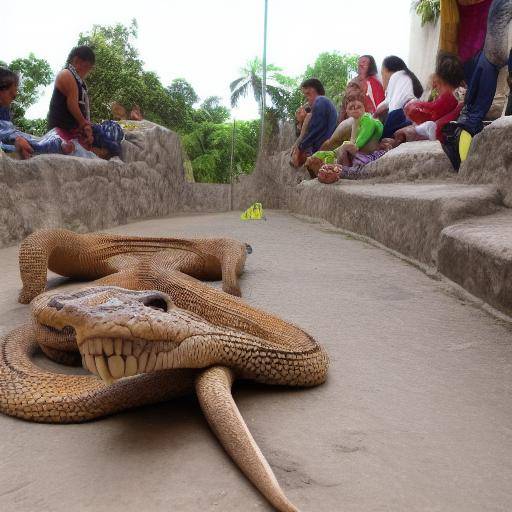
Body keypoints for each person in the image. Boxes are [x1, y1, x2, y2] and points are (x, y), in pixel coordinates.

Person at [442, 0, 512, 169]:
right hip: (486, 52)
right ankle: (465, 162)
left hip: (478, 54)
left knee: (473, 113)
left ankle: (464, 161)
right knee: (474, 116)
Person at [47, 46, 124, 159]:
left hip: (76, 130)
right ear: (77, 61)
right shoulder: (66, 74)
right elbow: (72, 105)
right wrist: (85, 125)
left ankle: (97, 149)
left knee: (113, 139)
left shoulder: (80, 83)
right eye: (87, 67)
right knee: (111, 145)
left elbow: (83, 112)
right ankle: (98, 150)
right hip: (63, 130)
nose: (88, 72)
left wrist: (86, 130)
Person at [0, 68, 74, 158]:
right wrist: (16, 139)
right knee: (25, 141)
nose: (14, 96)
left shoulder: (4, 108)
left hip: (5, 140)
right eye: (11, 92)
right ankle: (55, 145)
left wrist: (16, 140)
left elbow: (7, 131)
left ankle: (53, 143)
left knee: (21, 142)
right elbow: (6, 132)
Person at [396, 52, 466, 143]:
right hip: (448, 129)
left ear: (440, 79)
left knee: (415, 126)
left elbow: (433, 110)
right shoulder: (461, 91)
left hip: (441, 132)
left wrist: (412, 105)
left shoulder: (450, 95)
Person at [374, 56, 424, 138]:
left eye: (382, 74)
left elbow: (387, 103)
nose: (382, 78)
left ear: (387, 70)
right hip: (415, 112)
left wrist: (374, 114)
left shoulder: (395, 76)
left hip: (399, 114)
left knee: (382, 140)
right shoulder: (408, 76)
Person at [334, 92, 383, 166]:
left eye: (358, 107)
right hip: (362, 152)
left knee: (345, 148)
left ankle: (345, 169)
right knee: (344, 147)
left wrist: (357, 145)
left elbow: (366, 131)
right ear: (347, 112)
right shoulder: (355, 122)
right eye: (352, 108)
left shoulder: (367, 118)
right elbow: (353, 139)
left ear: (364, 108)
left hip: (370, 153)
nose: (355, 109)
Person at [296, 78, 338, 156]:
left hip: (327, 150)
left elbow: (316, 129)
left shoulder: (321, 100)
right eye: (305, 95)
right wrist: (301, 122)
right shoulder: (316, 108)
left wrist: (300, 147)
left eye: (308, 94)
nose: (307, 98)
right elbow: (305, 135)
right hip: (322, 151)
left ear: (317, 90)